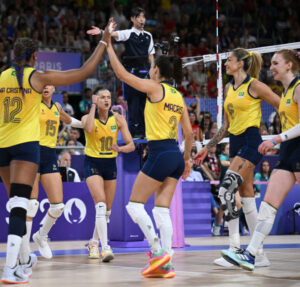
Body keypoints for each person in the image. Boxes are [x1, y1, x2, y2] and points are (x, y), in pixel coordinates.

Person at [0, 20, 111, 284]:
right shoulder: (36, 77)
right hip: (25, 147)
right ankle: (9, 269)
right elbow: (84, 71)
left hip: (2, 145)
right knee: (20, 207)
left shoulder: (2, 77)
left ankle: (25, 259)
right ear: (34, 57)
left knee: (20, 204)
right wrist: (105, 42)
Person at [105, 28, 193, 278]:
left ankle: (157, 250)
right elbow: (189, 134)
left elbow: (121, 73)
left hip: (160, 152)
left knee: (134, 206)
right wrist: (186, 160)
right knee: (161, 210)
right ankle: (166, 262)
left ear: (156, 72)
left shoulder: (155, 89)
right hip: (175, 155)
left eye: (153, 67)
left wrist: (109, 45)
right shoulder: (178, 95)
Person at [194, 47, 280, 268]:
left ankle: (235, 249)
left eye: (229, 60)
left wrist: (286, 134)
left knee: (225, 190)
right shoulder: (228, 87)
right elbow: (227, 125)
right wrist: (208, 146)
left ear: (241, 63)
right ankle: (258, 254)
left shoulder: (255, 85)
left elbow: (282, 105)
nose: (225, 63)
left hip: (251, 141)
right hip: (235, 142)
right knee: (247, 198)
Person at [222, 49, 300, 271]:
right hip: (287, 150)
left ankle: (240, 247)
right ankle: (253, 254)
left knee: (228, 190)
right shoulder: (285, 92)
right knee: (266, 206)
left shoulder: (297, 88)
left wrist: (276, 138)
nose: (271, 67)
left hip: (295, 147)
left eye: (275, 63)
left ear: (289, 66)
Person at [21, 85, 78, 267]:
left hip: (50, 155)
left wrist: (86, 122)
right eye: (42, 85)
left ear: (54, 88)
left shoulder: (57, 107)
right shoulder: (32, 104)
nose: (45, 88)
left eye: (48, 85)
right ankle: (24, 253)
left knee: (58, 206)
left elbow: (70, 121)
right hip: (33, 152)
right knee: (32, 205)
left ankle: (41, 235)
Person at [82, 88, 134, 262]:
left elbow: (131, 145)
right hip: (92, 163)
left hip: (110, 164)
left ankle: (93, 242)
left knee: (107, 211)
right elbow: (88, 129)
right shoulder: (87, 118)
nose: (106, 100)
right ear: (96, 99)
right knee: (101, 205)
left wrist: (120, 148)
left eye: (108, 97)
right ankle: (105, 247)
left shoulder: (118, 119)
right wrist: (92, 106)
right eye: (102, 97)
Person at [87, 7, 155, 139]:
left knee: (144, 104)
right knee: (133, 103)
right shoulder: (128, 33)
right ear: (132, 19)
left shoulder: (149, 36)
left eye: (143, 17)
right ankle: (134, 133)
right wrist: (102, 31)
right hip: (130, 74)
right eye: (139, 17)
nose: (142, 20)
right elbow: (113, 35)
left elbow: (151, 56)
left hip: (145, 75)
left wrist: (152, 70)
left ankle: (145, 132)